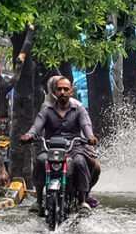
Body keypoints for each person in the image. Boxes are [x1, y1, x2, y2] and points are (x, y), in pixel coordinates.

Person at [20, 77, 100, 214]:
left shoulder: (79, 109)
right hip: (50, 148)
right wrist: (29, 135)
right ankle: (38, 201)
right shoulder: (47, 110)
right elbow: (36, 126)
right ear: (54, 91)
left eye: (66, 89)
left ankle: (82, 201)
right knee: (40, 161)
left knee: (80, 162)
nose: (62, 92)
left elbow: (86, 125)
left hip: (73, 148)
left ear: (71, 92)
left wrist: (90, 136)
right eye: (59, 89)